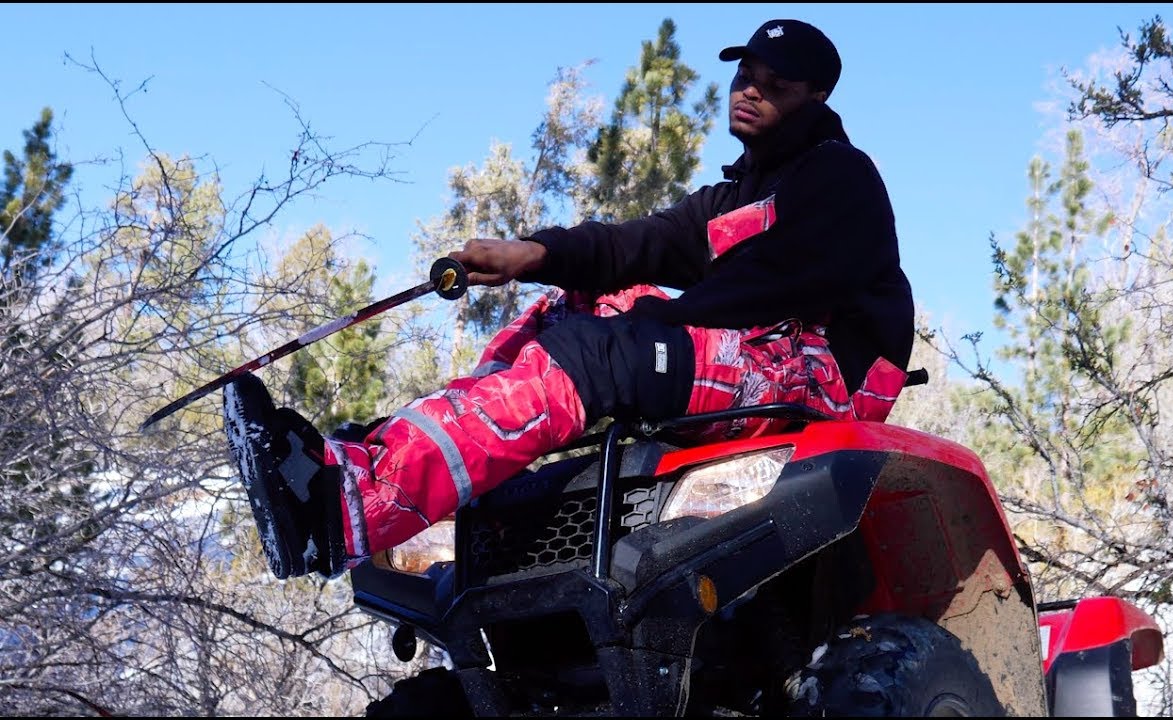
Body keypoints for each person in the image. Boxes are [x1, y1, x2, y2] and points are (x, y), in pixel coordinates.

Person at [223, 18, 915, 580]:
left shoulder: (840, 176)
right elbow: (636, 244)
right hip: (753, 353)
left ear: (816, 98)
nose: (750, 92)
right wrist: (531, 255)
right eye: (744, 77)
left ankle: (355, 512)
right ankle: (386, 465)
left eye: (775, 85)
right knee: (569, 310)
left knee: (604, 349)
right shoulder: (731, 197)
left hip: (817, 384)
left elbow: (770, 287)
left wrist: (651, 325)